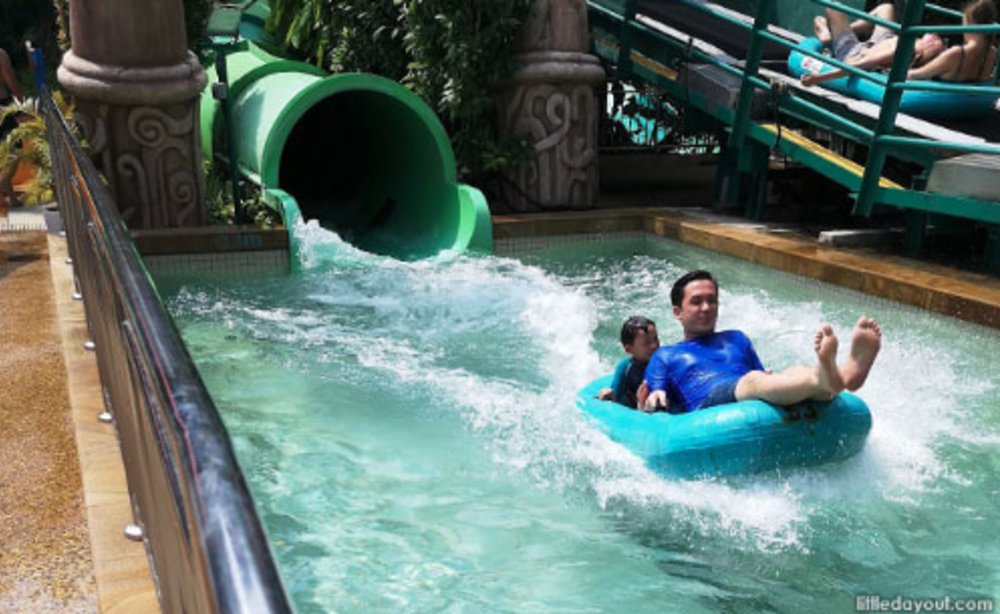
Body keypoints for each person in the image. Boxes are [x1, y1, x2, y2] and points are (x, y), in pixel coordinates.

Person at [643, 270, 882, 413]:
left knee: (795, 370)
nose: (706, 308)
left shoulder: (736, 338)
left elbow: (763, 377)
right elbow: (655, 395)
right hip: (709, 404)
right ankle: (827, 378)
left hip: (747, 389)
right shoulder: (665, 355)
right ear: (677, 312)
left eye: (712, 300)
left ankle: (839, 376)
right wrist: (654, 398)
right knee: (753, 381)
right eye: (696, 302)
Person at [801, 2, 945, 87]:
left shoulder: (901, 50)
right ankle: (836, 32)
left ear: (919, 54)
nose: (935, 37)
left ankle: (830, 37)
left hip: (856, 52)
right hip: (883, 40)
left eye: (933, 44)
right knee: (886, 8)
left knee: (833, 7)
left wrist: (818, 78)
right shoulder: (910, 44)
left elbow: (860, 64)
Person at [906, 0, 997, 82]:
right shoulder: (991, 52)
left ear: (969, 24)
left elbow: (915, 75)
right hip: (977, 100)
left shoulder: (956, 54)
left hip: (938, 98)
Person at [598, 315, 660, 409]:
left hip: (657, 406)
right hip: (632, 410)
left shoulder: (663, 363)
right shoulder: (625, 368)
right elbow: (616, 397)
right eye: (646, 343)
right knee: (607, 393)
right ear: (629, 349)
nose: (654, 345)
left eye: (655, 339)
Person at [0, 46, 25, 213]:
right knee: (15, 150)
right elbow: (11, 81)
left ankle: (10, 195)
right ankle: (3, 184)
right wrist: (22, 105)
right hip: (2, 107)